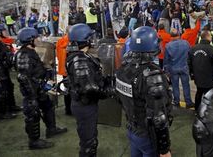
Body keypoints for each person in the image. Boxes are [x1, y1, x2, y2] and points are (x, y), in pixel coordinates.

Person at [116, 26, 172, 157]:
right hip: (147, 135)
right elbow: (159, 117)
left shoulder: (123, 68)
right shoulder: (152, 75)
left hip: (132, 129)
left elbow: (119, 98)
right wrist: (164, 149)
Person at [15, 27, 67, 149]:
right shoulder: (23, 55)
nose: (39, 39)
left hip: (39, 89)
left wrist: (46, 71)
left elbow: (35, 71)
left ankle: (51, 129)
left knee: (48, 106)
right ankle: (34, 141)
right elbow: (23, 77)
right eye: (36, 37)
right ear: (29, 40)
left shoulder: (31, 52)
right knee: (33, 115)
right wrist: (31, 97)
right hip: (32, 92)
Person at [66, 23, 107, 157]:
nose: (92, 39)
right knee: (89, 142)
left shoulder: (80, 56)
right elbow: (89, 88)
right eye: (90, 37)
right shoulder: (80, 60)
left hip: (84, 104)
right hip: (85, 105)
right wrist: (108, 91)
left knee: (89, 137)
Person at [164, 29, 194, 108]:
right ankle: (188, 102)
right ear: (179, 34)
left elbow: (166, 60)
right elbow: (190, 55)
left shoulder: (168, 46)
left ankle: (176, 101)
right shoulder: (186, 43)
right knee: (186, 85)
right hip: (184, 67)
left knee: (175, 86)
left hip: (173, 68)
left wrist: (166, 72)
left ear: (171, 36)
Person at [188, 30, 213, 111]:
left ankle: (197, 109)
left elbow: (189, 62)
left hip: (197, 76)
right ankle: (209, 110)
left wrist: (192, 74)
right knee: (209, 95)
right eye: (211, 36)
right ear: (208, 36)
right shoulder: (211, 49)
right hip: (209, 77)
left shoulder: (193, 48)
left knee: (199, 92)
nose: (211, 37)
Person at [56, 28, 71, 115]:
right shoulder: (73, 42)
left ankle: (67, 109)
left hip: (63, 69)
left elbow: (58, 55)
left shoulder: (59, 42)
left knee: (67, 89)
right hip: (71, 70)